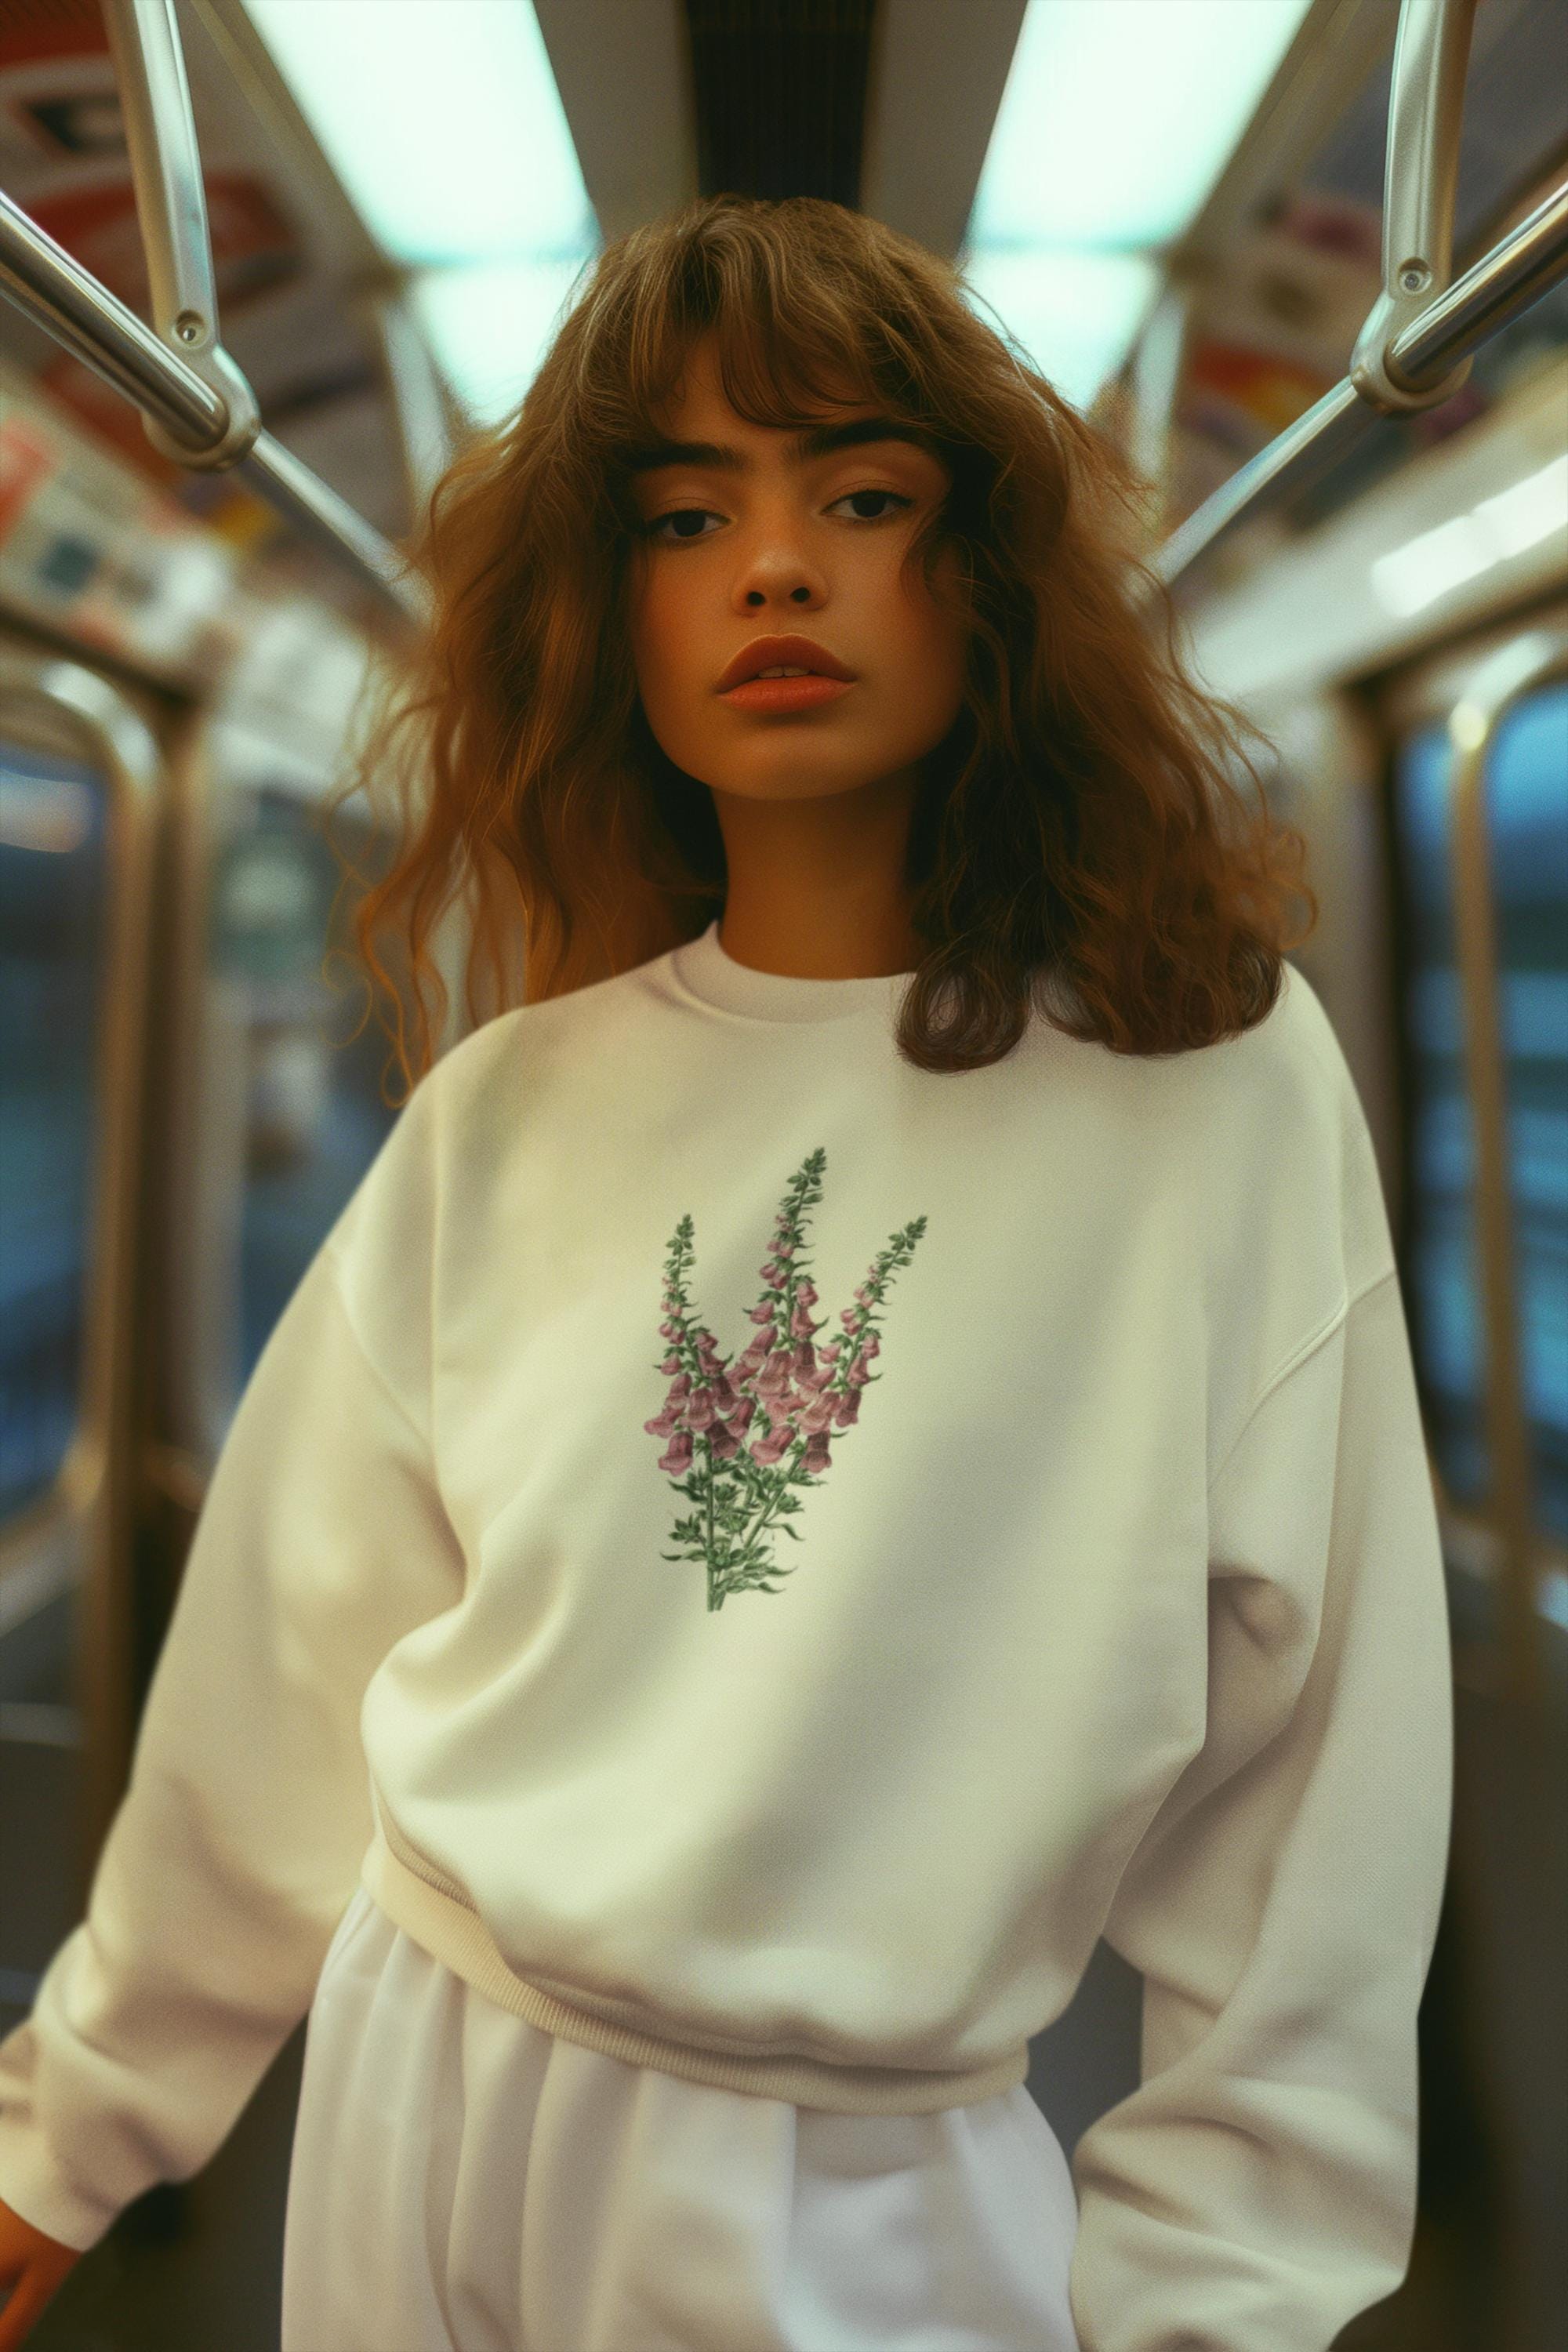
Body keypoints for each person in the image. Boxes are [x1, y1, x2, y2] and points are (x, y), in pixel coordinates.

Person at [0, 194, 1452, 2351]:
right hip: (429, 2072)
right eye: (685, 521)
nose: (775, 568)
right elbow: (293, 1665)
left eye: (862, 497)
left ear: (983, 582)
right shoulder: (509, 1107)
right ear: (615, 618)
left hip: (867, 2173)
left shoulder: (1211, 1089)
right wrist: (72, 2128)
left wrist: (1224, 2294)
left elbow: (1317, 1769)